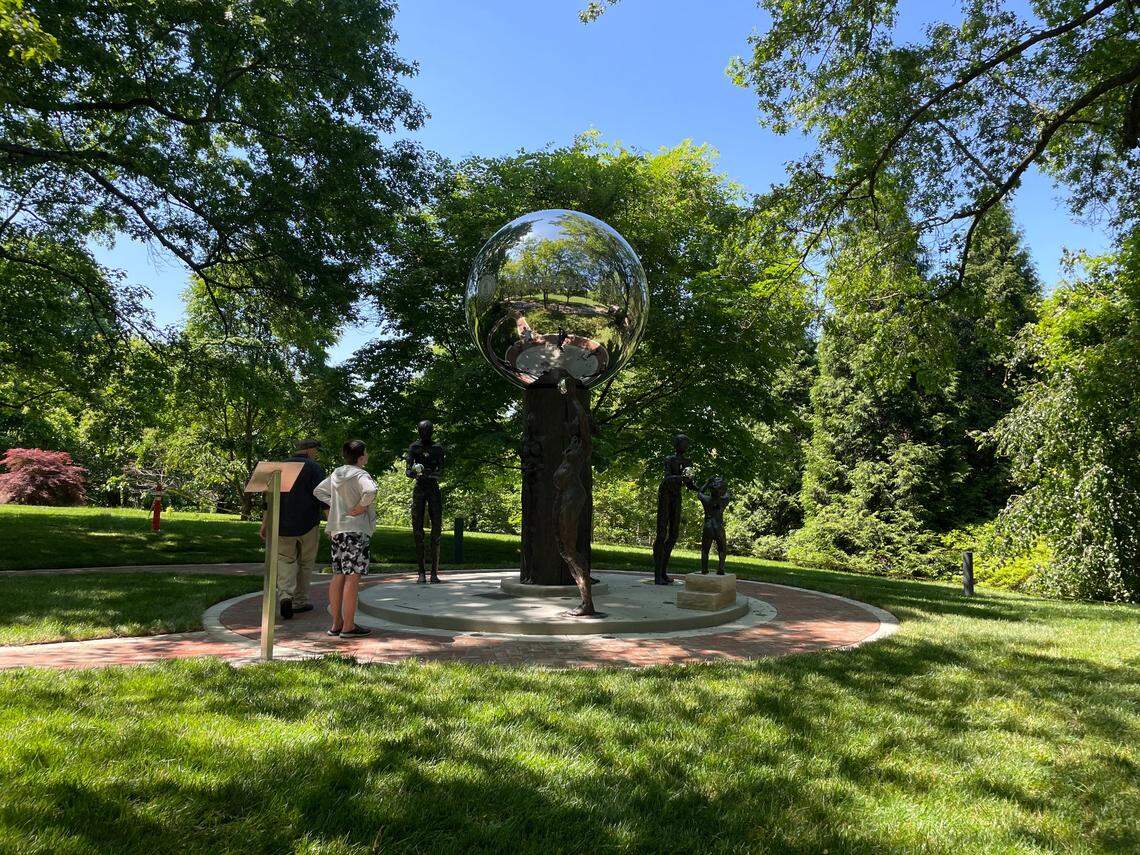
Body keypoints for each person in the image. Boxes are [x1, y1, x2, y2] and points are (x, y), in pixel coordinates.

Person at [312, 440, 377, 638]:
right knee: (353, 578)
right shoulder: (361, 474)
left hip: (337, 530)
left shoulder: (337, 473)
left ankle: (336, 623)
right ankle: (349, 626)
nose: (367, 455)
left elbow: (318, 491)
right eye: (366, 452)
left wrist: (337, 504)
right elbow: (371, 490)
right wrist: (362, 506)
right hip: (355, 531)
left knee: (338, 575)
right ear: (361, 456)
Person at [260, 438, 326, 619]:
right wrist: (332, 523)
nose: (316, 454)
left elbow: (268, 499)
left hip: (282, 524)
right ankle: (299, 601)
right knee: (306, 563)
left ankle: (285, 595)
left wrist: (265, 523)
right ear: (310, 450)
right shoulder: (314, 468)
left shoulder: (279, 467)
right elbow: (323, 497)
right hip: (308, 523)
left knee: (285, 560)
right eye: (316, 450)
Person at [651, 434, 696, 585]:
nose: (685, 445)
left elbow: (689, 483)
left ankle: (663, 572)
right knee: (662, 533)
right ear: (676, 444)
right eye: (683, 442)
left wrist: (700, 489)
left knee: (674, 534)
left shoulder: (688, 461)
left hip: (676, 495)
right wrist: (681, 479)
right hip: (665, 493)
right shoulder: (669, 459)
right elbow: (667, 478)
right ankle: (658, 575)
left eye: (686, 443)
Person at [405, 420, 445, 584]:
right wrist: (415, 474)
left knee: (436, 530)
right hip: (420, 489)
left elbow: (441, 471)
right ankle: (421, 572)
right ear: (419, 432)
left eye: (428, 431)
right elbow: (408, 470)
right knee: (417, 530)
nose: (425, 434)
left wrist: (431, 475)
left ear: (432, 431)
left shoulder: (437, 448)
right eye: (422, 431)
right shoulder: (414, 447)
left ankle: (434, 573)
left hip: (433, 489)